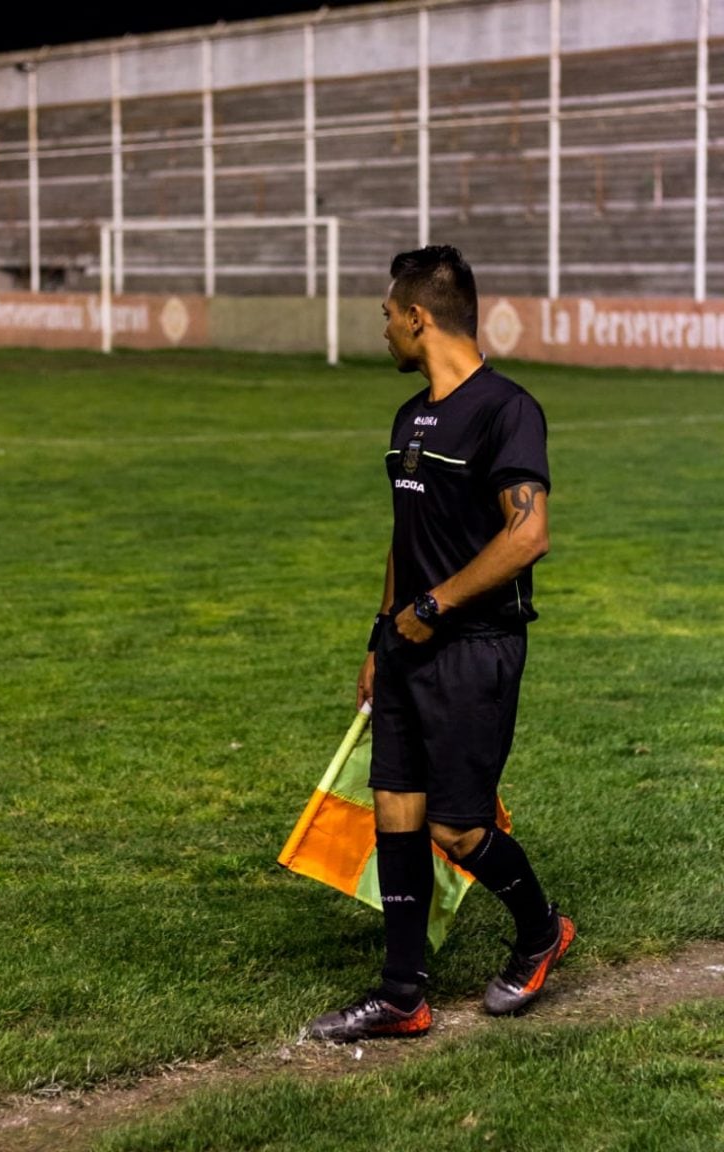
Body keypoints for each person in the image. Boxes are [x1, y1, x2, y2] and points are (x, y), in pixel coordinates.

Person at [308, 245, 575, 1042]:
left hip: (474, 648)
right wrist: (380, 632)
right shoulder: (409, 415)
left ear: (418, 317)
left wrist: (434, 605)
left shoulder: (507, 409)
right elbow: (406, 532)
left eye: (388, 315)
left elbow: (528, 536)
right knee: (395, 812)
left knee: (457, 829)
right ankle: (401, 995)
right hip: (405, 646)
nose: (383, 329)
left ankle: (540, 930)